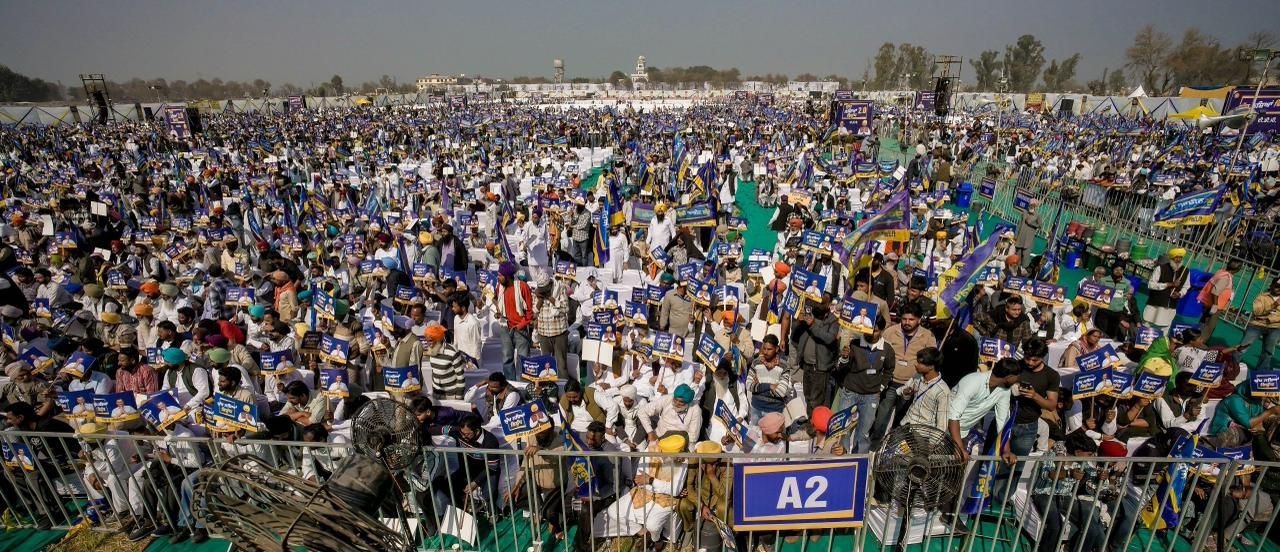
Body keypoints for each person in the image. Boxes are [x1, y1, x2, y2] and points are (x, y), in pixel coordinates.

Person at [872, 302, 937, 443]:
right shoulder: (891, 332)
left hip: (911, 385)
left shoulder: (927, 336)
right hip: (891, 382)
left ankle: (891, 447)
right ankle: (874, 447)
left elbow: (932, 359)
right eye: (904, 319)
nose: (907, 322)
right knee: (881, 417)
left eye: (911, 319)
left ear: (919, 320)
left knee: (901, 421)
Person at [948, 359, 1020, 461]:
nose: (1018, 380)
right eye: (1018, 377)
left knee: (954, 473)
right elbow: (953, 416)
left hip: (962, 433)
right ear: (1010, 377)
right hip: (940, 430)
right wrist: (959, 448)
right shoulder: (973, 381)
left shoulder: (1005, 390)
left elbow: (1002, 421)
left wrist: (1006, 451)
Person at [790, 293, 839, 411]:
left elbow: (829, 338)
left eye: (822, 303)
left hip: (821, 367)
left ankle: (815, 425)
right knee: (807, 396)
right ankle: (810, 421)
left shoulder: (832, 320)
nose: (818, 305)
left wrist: (812, 325)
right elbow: (794, 337)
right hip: (807, 364)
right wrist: (798, 321)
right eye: (816, 302)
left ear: (828, 305)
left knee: (817, 400)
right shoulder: (808, 315)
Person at [495, 261, 535, 380]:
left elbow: (529, 311)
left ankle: (524, 384)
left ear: (507, 277)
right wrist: (499, 313)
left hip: (520, 328)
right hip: (505, 326)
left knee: (524, 358)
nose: (498, 277)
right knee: (507, 358)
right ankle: (510, 383)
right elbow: (499, 302)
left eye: (500, 275)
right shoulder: (499, 287)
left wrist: (522, 325)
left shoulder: (522, 287)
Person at [898, 347, 949, 431]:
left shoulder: (943, 391)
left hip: (921, 434)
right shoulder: (917, 377)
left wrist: (933, 443)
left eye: (920, 363)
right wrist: (906, 392)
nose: (916, 365)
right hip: (905, 425)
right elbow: (901, 391)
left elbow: (942, 424)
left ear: (931, 367)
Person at [1237, 278, 1280, 371]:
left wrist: (1269, 318)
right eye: (1277, 286)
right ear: (1272, 285)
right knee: (1243, 346)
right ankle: (1232, 366)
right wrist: (1274, 305)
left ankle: (1261, 373)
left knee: (1268, 352)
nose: (1279, 288)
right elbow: (1257, 312)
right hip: (1257, 324)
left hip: (1275, 327)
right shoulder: (1262, 297)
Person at [1142, 248, 1190, 330]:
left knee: (1165, 327)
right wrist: (1169, 284)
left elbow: (1186, 286)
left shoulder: (1186, 271)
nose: (1178, 259)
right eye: (1176, 257)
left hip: (1170, 306)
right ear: (1171, 258)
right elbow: (1150, 285)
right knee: (1147, 324)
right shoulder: (1160, 268)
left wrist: (1180, 294)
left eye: (1180, 257)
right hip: (1155, 303)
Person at [1198, 259, 1242, 341]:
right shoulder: (1225, 277)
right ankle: (1200, 343)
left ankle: (1198, 340)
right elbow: (1215, 291)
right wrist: (1215, 305)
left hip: (1210, 303)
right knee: (1209, 327)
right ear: (1237, 269)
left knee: (1204, 323)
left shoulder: (1221, 272)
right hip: (1215, 306)